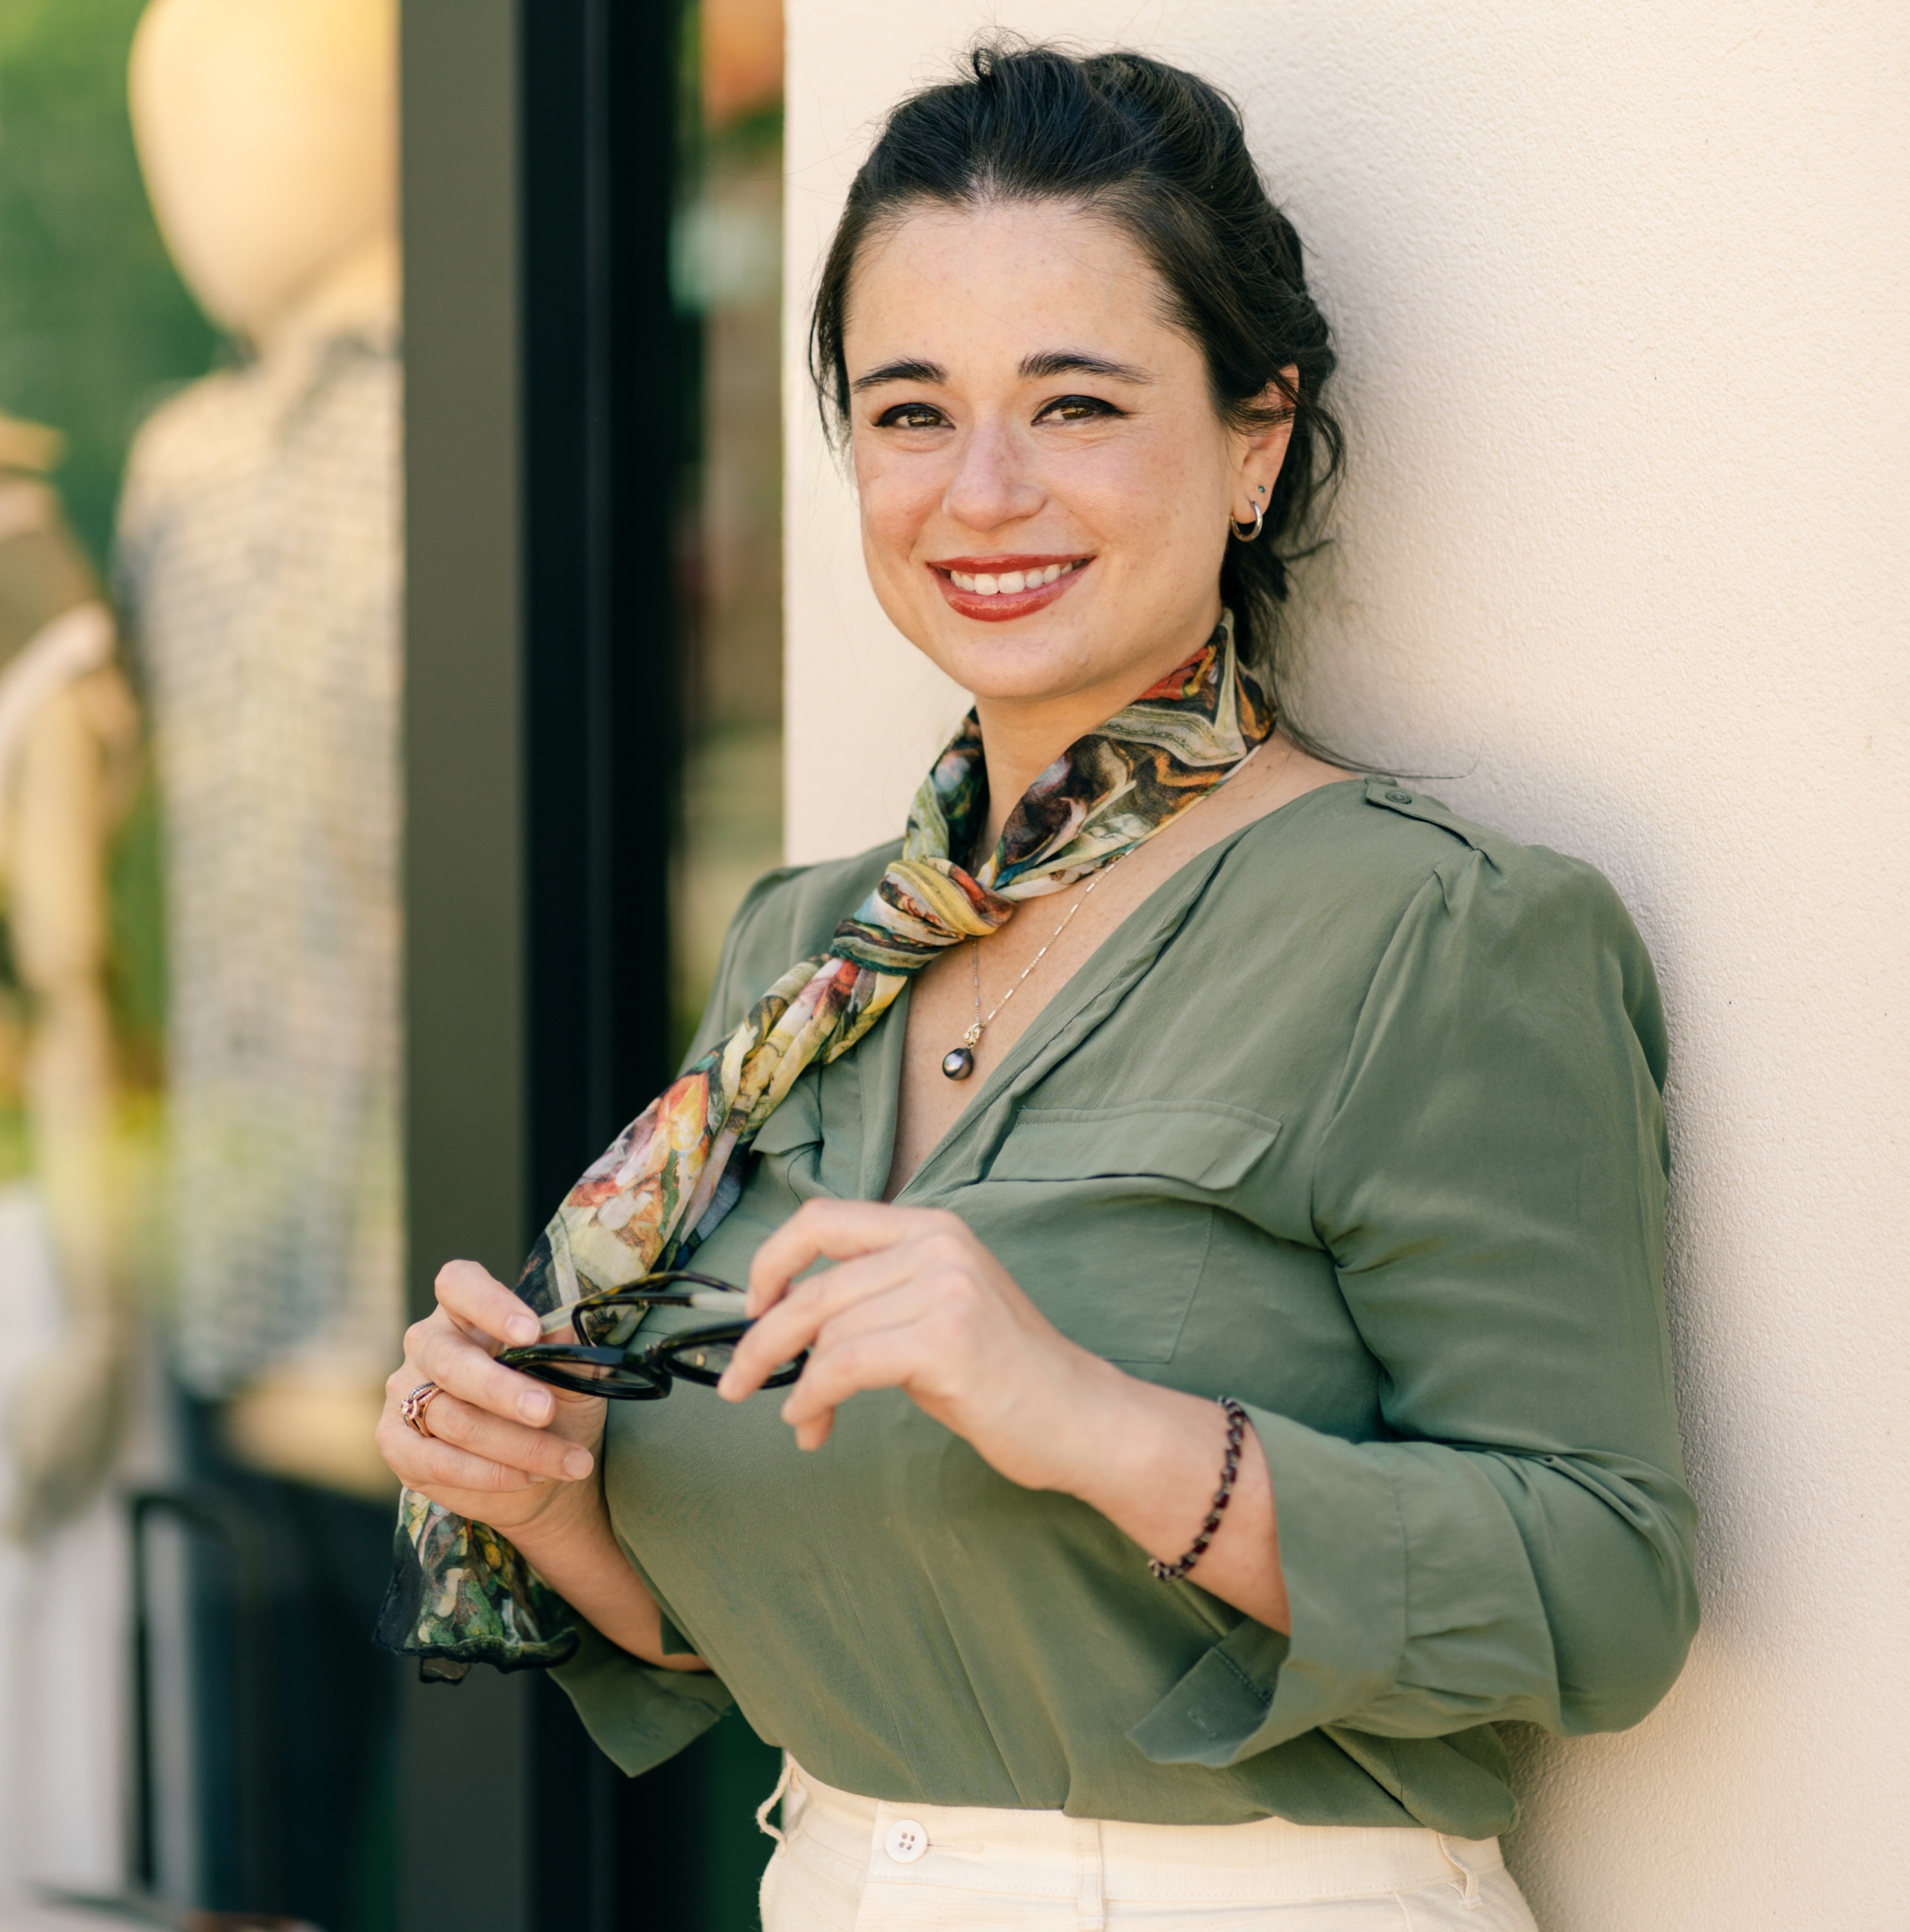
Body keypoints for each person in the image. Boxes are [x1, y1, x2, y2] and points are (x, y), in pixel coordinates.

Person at [376, 43, 1696, 1931]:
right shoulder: (804, 960)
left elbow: (1607, 1596)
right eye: (911, 414)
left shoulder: (1441, 930)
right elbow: (831, 1625)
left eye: (1074, 404)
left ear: (1257, 437)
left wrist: (1082, 1415)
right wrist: (550, 1498)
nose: (982, 492)